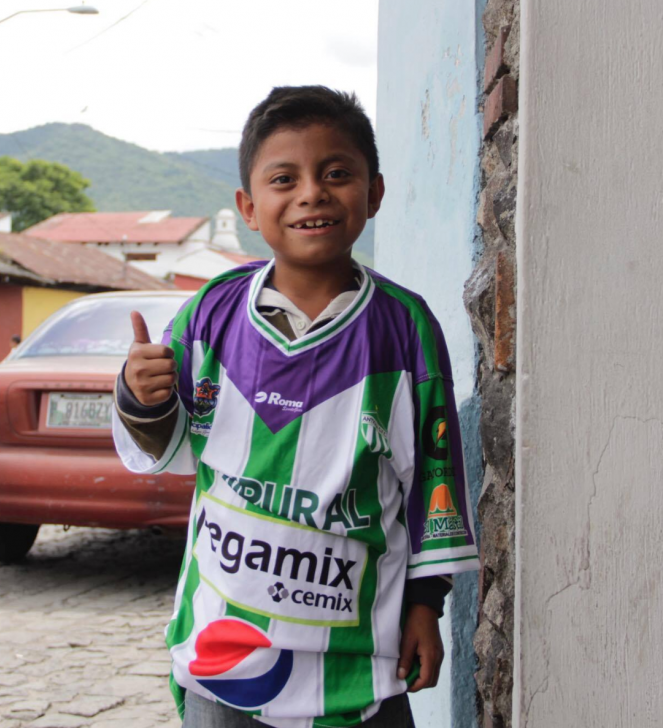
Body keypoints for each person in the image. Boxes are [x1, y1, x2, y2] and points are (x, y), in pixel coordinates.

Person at [112, 86, 479, 727]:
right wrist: (140, 396)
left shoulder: (407, 328)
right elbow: (167, 448)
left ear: (375, 192)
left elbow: (434, 479)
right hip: (221, 658)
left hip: (360, 667)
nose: (312, 193)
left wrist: (427, 604)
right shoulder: (211, 313)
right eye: (285, 179)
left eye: (336, 173)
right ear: (249, 208)